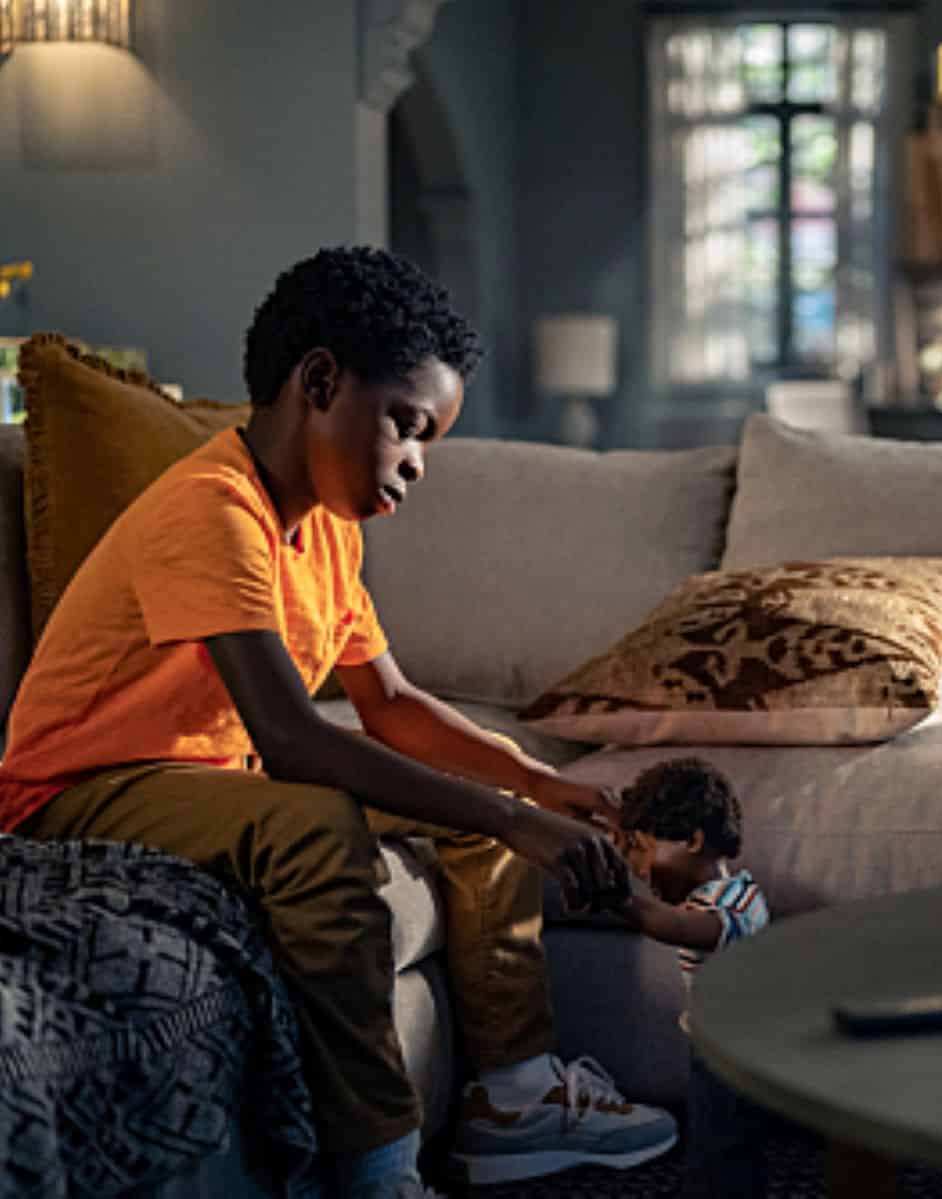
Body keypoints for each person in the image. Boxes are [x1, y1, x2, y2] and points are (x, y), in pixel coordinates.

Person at [0, 247, 678, 1198]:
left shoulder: (325, 528)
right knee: (318, 826)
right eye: (407, 425)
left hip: (202, 781)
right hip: (77, 790)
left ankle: (517, 1098)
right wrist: (515, 820)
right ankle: (379, 1171)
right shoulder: (213, 510)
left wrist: (531, 784)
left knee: (473, 801)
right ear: (319, 382)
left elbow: (390, 705)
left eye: (431, 440)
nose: (417, 461)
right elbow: (292, 739)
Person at [611, 757, 770, 1199]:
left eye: (643, 849)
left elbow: (680, 928)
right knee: (718, 1148)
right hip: (718, 1046)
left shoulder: (729, 906)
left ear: (693, 840)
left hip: (733, 1057)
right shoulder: (735, 892)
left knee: (720, 1153)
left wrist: (616, 897)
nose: (640, 870)